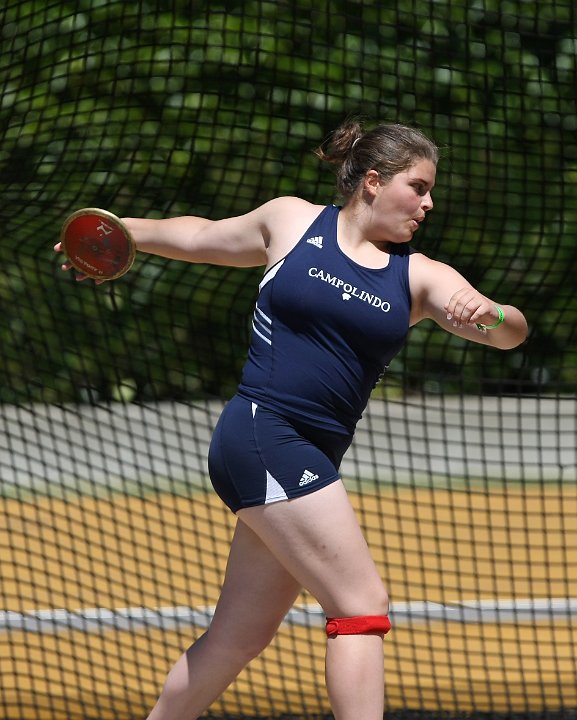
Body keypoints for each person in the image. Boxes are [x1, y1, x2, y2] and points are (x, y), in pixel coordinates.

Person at [55, 118, 528, 720]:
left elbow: (511, 334)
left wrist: (488, 315)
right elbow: (201, 235)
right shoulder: (293, 222)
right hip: (263, 432)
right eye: (419, 186)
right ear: (374, 183)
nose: (429, 203)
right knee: (360, 603)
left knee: (239, 638)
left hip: (301, 456)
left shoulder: (420, 277)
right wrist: (117, 232)